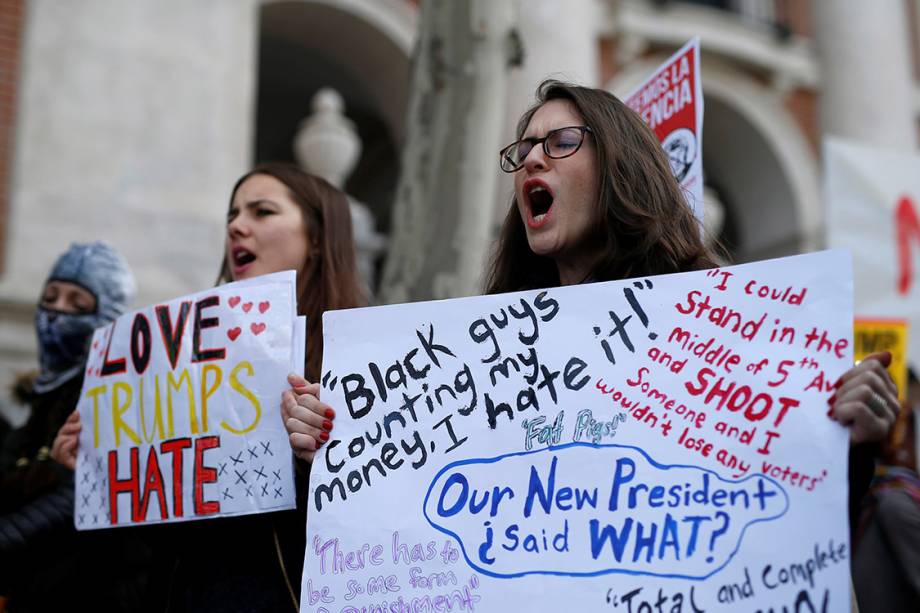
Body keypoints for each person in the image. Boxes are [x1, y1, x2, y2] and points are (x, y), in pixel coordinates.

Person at [51, 164, 365, 612]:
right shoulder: (179, 359)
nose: (237, 226)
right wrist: (93, 467)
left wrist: (322, 459)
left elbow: (374, 524)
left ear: (317, 237)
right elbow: (147, 539)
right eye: (233, 215)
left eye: (262, 212)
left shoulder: (358, 361)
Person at [0, 242, 165, 612]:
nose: (57, 312)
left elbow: (76, 497)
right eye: (50, 297)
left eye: (78, 305)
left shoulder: (119, 402)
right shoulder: (35, 406)